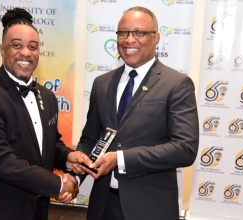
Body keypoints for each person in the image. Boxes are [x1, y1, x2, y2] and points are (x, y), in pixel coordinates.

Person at [0, 8, 87, 220]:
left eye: (33, 46)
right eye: (16, 45)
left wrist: (67, 158)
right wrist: (58, 184)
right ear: (2, 50)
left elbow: (49, 145)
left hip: (36, 211)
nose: (26, 53)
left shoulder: (47, 96)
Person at [77, 6, 199, 220]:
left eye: (139, 33)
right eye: (123, 33)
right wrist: (74, 175)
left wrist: (121, 159)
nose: (129, 39)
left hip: (150, 207)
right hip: (103, 206)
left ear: (156, 38)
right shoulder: (102, 84)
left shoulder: (177, 84)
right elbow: (91, 139)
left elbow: (185, 149)